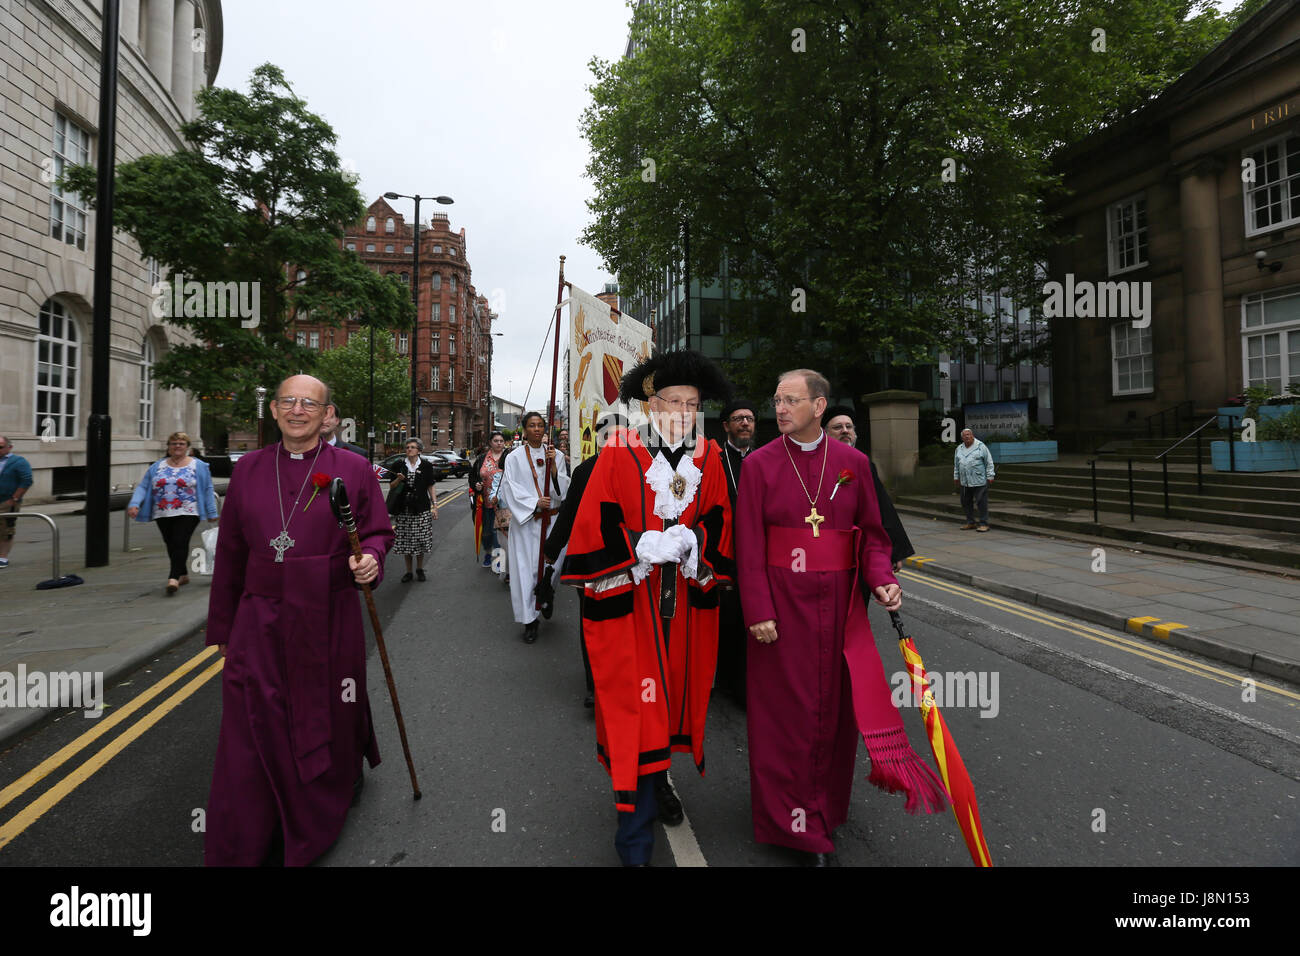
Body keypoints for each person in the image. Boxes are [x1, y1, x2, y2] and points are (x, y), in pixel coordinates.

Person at [736, 369, 947, 867]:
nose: (780, 408)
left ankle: (824, 809)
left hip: (841, 609)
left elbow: (873, 536)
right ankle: (794, 824)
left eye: (791, 400)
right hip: (781, 611)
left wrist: (882, 580)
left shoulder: (853, 463)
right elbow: (746, 547)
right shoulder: (760, 465)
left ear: (819, 405)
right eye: (777, 399)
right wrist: (758, 610)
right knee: (787, 718)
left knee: (833, 716)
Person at [204, 374, 394, 866]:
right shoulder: (247, 469)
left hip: (328, 614)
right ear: (272, 411)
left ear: (328, 414)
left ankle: (323, 797)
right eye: (287, 400)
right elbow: (230, 553)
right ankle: (253, 824)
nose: (297, 409)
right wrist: (222, 628)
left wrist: (371, 558)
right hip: (258, 618)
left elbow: (377, 532)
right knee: (252, 721)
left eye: (309, 403)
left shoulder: (353, 469)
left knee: (328, 708)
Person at [561, 350, 734, 866]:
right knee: (634, 710)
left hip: (683, 612)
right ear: (650, 404)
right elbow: (591, 526)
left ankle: (658, 784)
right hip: (630, 606)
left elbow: (724, 521)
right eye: (673, 401)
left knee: (670, 702)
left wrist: (695, 541)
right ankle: (633, 838)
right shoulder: (619, 452)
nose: (683, 411)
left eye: (692, 403)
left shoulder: (710, 457)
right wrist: (638, 546)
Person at [545, 412, 627, 711]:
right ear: (599, 439)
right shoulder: (584, 471)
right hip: (592, 562)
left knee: (622, 627)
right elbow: (568, 513)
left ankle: (619, 681)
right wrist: (552, 548)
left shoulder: (642, 471)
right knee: (592, 624)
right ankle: (594, 685)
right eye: (609, 434)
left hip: (630, 563)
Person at [499, 412, 570, 644]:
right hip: (528, 523)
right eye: (532, 425)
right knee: (527, 571)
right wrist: (533, 503)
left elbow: (564, 490)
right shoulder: (514, 457)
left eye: (540, 425)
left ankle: (547, 595)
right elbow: (510, 487)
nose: (537, 429)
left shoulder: (556, 456)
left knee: (553, 567)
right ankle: (530, 620)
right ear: (525, 429)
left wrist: (553, 472)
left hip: (551, 523)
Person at [822, 405, 915, 570]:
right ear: (825, 433)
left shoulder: (864, 464)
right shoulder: (818, 464)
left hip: (862, 548)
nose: (845, 430)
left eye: (848, 426)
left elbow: (882, 506)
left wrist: (893, 551)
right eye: (838, 427)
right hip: (827, 546)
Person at [126, 432, 220, 594]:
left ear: (187, 447)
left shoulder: (198, 466)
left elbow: (207, 489)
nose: (177, 446)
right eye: (174, 443)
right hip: (162, 511)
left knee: (179, 541)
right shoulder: (157, 466)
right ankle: (183, 574)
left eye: (181, 443)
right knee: (171, 543)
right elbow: (143, 486)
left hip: (189, 510)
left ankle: (173, 578)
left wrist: (212, 511)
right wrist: (134, 504)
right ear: (168, 447)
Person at [715, 399, 756, 707]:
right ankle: (725, 682)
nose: (745, 423)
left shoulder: (766, 460)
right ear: (726, 425)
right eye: (738, 418)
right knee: (726, 621)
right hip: (725, 551)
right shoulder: (715, 460)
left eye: (750, 419)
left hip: (759, 554)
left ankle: (747, 685)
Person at [389, 437, 440, 582]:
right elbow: (392, 487)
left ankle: (419, 568)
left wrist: (435, 506)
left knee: (420, 540)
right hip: (404, 508)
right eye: (407, 447)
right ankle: (408, 571)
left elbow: (431, 485)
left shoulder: (426, 466)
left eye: (412, 447)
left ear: (419, 450)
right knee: (406, 540)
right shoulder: (399, 465)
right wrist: (398, 479)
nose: (409, 449)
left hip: (421, 508)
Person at [469, 432, 507, 569]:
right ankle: (488, 553)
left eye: (501, 440)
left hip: (503, 503)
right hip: (484, 502)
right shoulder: (481, 459)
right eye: (496, 440)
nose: (499, 443)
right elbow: (472, 477)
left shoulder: (509, 457)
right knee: (487, 532)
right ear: (490, 442)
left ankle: (499, 561)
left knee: (500, 533)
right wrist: (476, 485)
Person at [0, 436, 34, 570]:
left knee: (6, 529)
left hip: (7, 501)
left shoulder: (18, 461)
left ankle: (2, 557)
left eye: (0, 447)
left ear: (9, 447)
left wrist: (14, 499)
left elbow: (26, 481)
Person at [954, 427, 995, 532]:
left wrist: (990, 475)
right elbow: (956, 465)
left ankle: (984, 523)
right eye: (964, 435)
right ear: (962, 438)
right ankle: (970, 522)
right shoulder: (959, 448)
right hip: (964, 481)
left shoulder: (981, 446)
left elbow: (989, 462)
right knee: (965, 502)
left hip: (979, 480)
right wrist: (956, 477)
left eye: (969, 434)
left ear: (972, 436)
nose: (967, 436)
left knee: (981, 502)